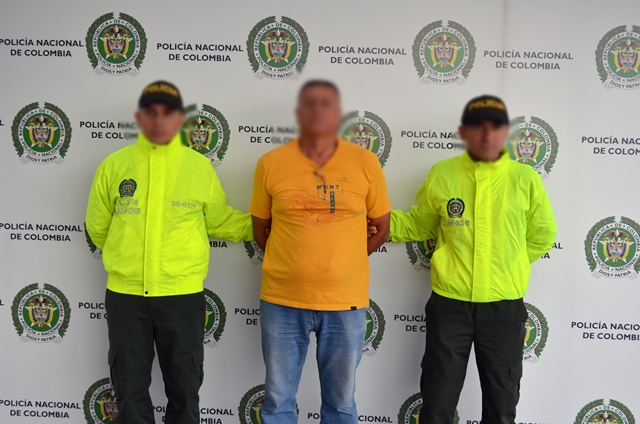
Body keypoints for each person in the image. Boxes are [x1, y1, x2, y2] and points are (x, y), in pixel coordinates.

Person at [85, 81, 254, 424]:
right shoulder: (114, 166)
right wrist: (125, 257)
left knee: (185, 387)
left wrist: (275, 224)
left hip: (181, 296)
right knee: (128, 389)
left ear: (179, 119)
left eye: (167, 112)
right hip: (126, 296)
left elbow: (219, 220)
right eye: (151, 112)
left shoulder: (198, 167)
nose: (159, 119)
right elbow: (98, 227)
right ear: (140, 117)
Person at [389, 95, 557, 424]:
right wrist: (372, 222)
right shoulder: (442, 174)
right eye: (478, 126)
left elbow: (542, 235)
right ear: (464, 132)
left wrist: (510, 264)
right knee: (437, 401)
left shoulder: (525, 179)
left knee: (501, 405)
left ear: (505, 132)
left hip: (504, 308)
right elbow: (420, 224)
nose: (487, 134)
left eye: (495, 126)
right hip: (450, 306)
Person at [250, 80, 391, 424]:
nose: (317, 111)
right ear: (298, 113)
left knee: (341, 403)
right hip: (282, 301)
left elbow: (381, 228)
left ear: (338, 113)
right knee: (278, 401)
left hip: (345, 303)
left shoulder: (365, 162)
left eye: (325, 104)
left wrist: (344, 259)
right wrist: (295, 261)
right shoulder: (270, 163)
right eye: (309, 104)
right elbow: (261, 230)